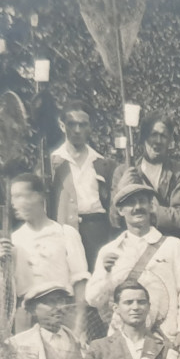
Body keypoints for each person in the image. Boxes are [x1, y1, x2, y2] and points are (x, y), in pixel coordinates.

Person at [86, 168, 180, 356]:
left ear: (151, 206)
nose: (137, 207)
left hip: (165, 340)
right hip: (123, 343)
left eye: (142, 201)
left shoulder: (172, 245)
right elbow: (93, 299)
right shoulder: (109, 251)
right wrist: (106, 272)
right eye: (130, 203)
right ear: (121, 210)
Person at [9, 172, 90, 335]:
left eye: (20, 196)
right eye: (13, 197)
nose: (14, 203)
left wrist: (79, 325)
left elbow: (80, 282)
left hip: (61, 311)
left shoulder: (65, 233)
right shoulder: (13, 240)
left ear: (38, 196)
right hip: (27, 315)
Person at [114, 109, 180, 241]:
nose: (158, 141)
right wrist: (120, 191)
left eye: (163, 136)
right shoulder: (122, 172)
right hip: (134, 244)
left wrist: (149, 208)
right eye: (153, 134)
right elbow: (114, 220)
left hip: (169, 244)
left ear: (170, 140)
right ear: (143, 138)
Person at [47, 97, 116, 260]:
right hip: (65, 230)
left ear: (90, 127)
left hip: (97, 231)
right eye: (72, 124)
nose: (77, 130)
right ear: (62, 125)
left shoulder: (101, 163)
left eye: (83, 124)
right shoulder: (53, 162)